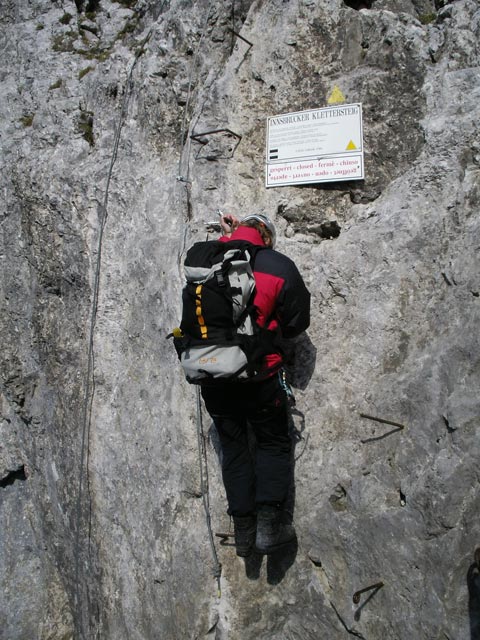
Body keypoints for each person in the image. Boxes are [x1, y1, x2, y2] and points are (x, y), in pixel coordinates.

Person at [200, 213, 311, 556]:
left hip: (211, 373)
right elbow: (296, 324)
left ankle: (244, 532)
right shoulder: (278, 265)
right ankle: (269, 528)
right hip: (258, 374)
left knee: (234, 447)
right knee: (272, 442)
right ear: (267, 238)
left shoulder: (206, 260)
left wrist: (225, 238)